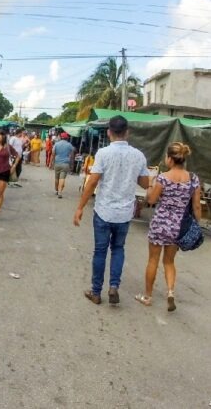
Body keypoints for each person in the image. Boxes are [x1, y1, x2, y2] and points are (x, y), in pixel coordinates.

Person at [73, 116, 150, 305]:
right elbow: (145, 183)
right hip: (124, 213)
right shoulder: (138, 155)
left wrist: (80, 207)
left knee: (100, 251)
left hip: (104, 210)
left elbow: (92, 182)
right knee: (118, 249)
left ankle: (96, 292)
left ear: (108, 132)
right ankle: (114, 286)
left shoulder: (103, 153)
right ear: (127, 132)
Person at [135, 143, 202, 311]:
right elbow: (197, 207)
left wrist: (150, 184)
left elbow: (151, 200)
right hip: (178, 226)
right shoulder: (193, 179)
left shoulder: (163, 178)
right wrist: (196, 225)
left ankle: (147, 296)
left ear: (170, 159)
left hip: (160, 224)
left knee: (153, 260)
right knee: (169, 262)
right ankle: (170, 292)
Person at [50, 132, 75, 199]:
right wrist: (72, 165)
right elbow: (72, 156)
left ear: (61, 137)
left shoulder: (56, 144)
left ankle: (56, 190)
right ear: (67, 138)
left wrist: (50, 163)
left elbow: (53, 154)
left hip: (57, 163)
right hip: (65, 164)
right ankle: (60, 192)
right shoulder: (69, 145)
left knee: (56, 178)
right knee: (62, 178)